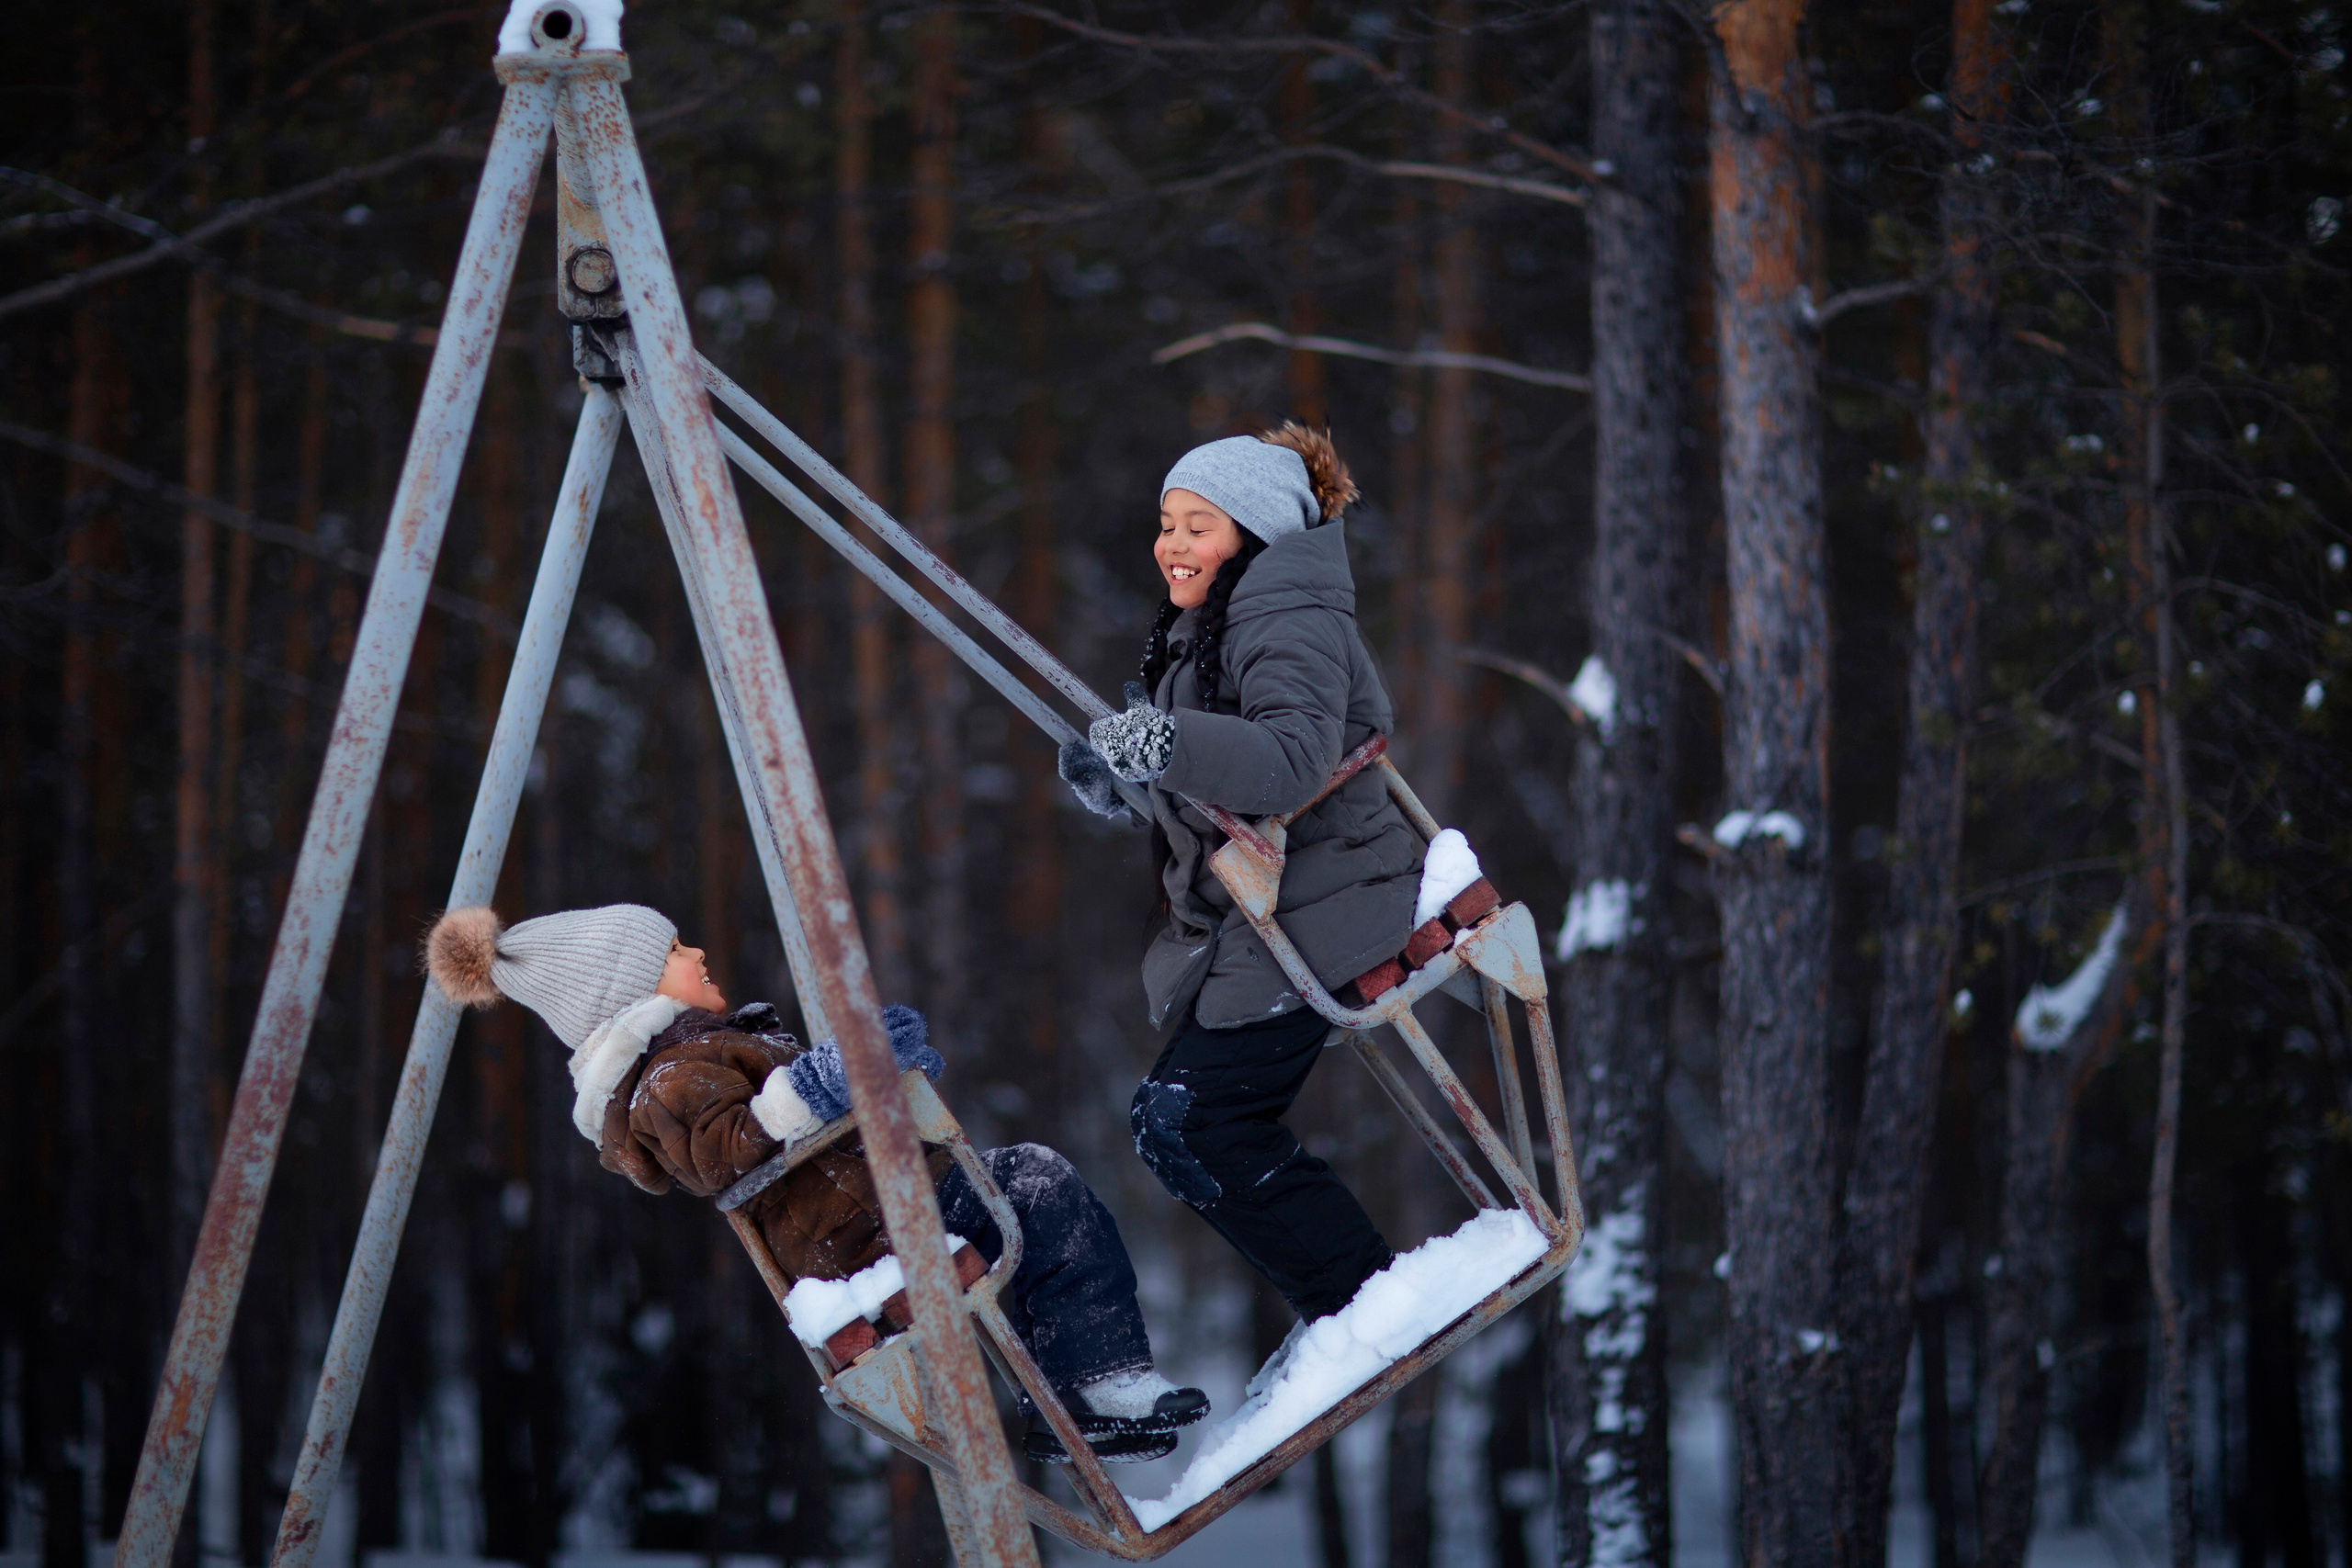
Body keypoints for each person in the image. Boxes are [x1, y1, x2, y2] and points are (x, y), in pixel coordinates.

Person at [421, 902, 1205, 1462]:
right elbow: (724, 1151)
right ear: (634, 994)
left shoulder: (699, 1053)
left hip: (870, 1210)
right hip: (866, 1231)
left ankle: (1079, 1387)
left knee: (1032, 1194)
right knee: (1036, 1182)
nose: (698, 953)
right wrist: (820, 1083)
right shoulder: (668, 1080)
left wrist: (882, 1077)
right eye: (676, 950)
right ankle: (1095, 1384)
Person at [1057, 423, 1423, 1327]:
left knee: (1191, 1122)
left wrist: (1167, 743)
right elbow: (1223, 790)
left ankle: (1363, 1301)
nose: (1172, 544)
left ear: (1254, 535)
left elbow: (1290, 762)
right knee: (1180, 1123)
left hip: (1330, 901)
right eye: (1166, 524)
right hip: (1278, 903)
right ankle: (1347, 1302)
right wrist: (1130, 782)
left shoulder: (1288, 617)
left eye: (1199, 526)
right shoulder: (1217, 625)